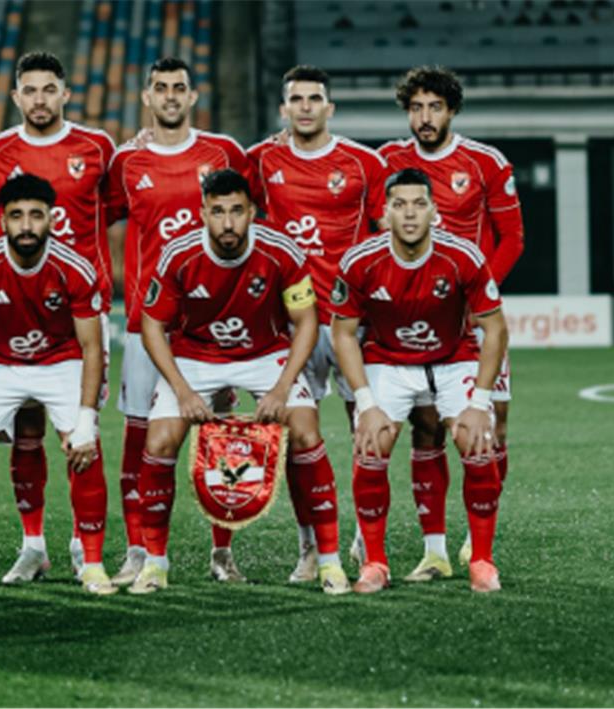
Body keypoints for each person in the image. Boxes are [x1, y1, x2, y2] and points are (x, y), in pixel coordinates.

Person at [128, 168, 348, 595]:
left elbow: (306, 321)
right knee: (159, 442)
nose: (227, 223)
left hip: (265, 354)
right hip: (195, 356)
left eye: (236, 211)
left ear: (251, 212)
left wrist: (282, 388)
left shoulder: (281, 250)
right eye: (217, 212)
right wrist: (183, 391)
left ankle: (329, 562)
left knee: (306, 432)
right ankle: (155, 564)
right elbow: (153, 326)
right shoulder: (179, 254)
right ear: (202, 213)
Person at [105, 56, 261, 585]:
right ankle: (138, 552)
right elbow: (98, 217)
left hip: (212, 325)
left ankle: (222, 552)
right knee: (139, 439)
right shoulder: (126, 161)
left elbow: (250, 217)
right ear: (147, 97)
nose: (170, 95)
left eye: (179, 87)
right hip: (145, 323)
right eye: (160, 87)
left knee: (219, 440)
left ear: (193, 96)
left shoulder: (223, 152)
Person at [0, 51, 116, 584]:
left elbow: (118, 209)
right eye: (29, 90)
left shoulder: (98, 147)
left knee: (79, 435)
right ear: (15, 97)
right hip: (13, 310)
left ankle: (81, 545)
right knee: (24, 434)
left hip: (79, 313)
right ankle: (33, 547)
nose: (39, 99)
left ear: (66, 94)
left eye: (49, 89)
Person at [329, 168, 509, 594]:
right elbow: (343, 333)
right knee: (371, 443)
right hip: (389, 360)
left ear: (434, 211)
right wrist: (365, 403)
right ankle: (375, 563)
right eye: (399, 205)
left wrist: (479, 403)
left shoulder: (462, 256)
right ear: (385, 213)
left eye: (419, 204)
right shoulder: (360, 261)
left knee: (476, 441)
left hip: (452, 359)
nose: (409, 213)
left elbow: (495, 329)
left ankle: (482, 561)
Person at [0, 174, 112, 597]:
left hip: (61, 359)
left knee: (85, 449)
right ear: (3, 220)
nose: (27, 226)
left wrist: (86, 419)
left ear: (52, 218)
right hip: (0, 362)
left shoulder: (74, 267)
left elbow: (91, 346)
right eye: (17, 216)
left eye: (36, 215)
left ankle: (92, 563)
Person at [377, 66, 523, 580]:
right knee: (426, 427)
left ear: (452, 110)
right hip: (414, 319)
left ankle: (478, 538)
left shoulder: (485, 162)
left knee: (492, 424)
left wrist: (478, 296)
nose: (425, 117)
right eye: (416, 108)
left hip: (474, 318)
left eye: (434, 107)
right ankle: (434, 549)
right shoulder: (387, 162)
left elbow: (512, 238)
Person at [247, 65, 388, 584]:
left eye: (314, 99)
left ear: (330, 108)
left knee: (365, 430)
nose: (305, 107)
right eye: (296, 99)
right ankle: (309, 545)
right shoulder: (260, 161)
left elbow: (385, 235)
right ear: (283, 108)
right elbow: (212, 182)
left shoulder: (364, 163)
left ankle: (365, 539)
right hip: (290, 323)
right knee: (296, 434)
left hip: (350, 321)